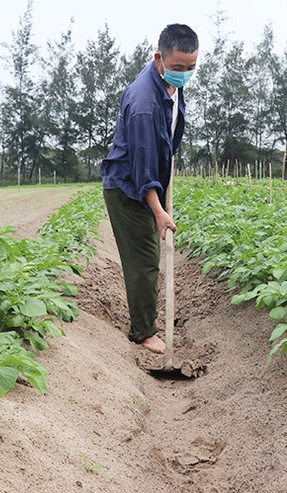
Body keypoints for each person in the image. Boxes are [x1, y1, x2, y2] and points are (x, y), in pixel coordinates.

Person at [100, 23, 199, 354]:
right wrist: (159, 211)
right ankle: (144, 332)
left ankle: (147, 323)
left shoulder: (168, 85)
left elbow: (164, 144)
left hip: (145, 180)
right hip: (128, 189)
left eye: (191, 68)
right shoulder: (145, 103)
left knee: (148, 255)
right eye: (177, 68)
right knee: (144, 259)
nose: (184, 75)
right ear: (159, 58)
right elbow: (142, 172)